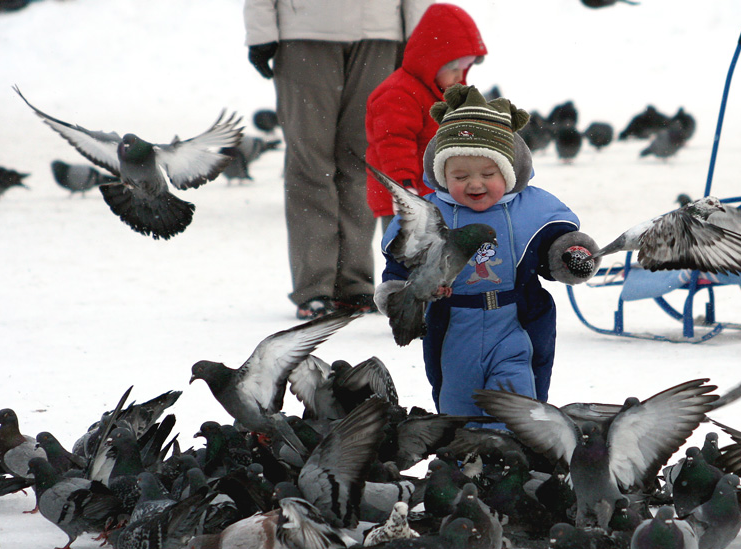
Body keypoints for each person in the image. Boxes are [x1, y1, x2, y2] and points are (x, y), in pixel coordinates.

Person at [375, 85, 601, 416]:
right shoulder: (431, 212)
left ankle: (514, 458)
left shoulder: (531, 209)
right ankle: (462, 460)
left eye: (488, 173)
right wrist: (401, 294)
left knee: (516, 402)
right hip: (453, 325)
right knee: (457, 401)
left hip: (514, 322)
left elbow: (555, 243)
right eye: (460, 175)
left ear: (508, 170)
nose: (475, 184)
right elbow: (400, 263)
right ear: (441, 174)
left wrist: (570, 256)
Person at [243, 0, 433, 320]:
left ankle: (354, 283)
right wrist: (261, 31)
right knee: (310, 160)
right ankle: (314, 286)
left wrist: (416, 34)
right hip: (305, 29)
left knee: (363, 160)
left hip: (379, 31)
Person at [366, 3, 487, 232]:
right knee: (409, 260)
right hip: (405, 200)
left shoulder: (449, 94)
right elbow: (394, 143)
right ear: (432, 61)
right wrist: (404, 188)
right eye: (455, 66)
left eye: (466, 65)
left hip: (437, 196)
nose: (461, 74)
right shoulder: (397, 94)